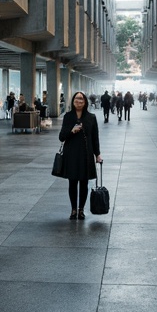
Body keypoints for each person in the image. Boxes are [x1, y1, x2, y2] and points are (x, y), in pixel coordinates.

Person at [57, 91, 102, 220]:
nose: (79, 101)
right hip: (71, 153)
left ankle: (81, 209)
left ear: (85, 102)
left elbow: (95, 138)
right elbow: (61, 137)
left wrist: (97, 154)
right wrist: (71, 131)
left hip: (86, 154)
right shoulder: (68, 117)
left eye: (81, 99)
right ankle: (73, 209)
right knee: (72, 183)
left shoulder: (91, 117)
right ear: (73, 101)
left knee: (84, 183)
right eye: (77, 99)